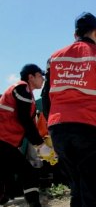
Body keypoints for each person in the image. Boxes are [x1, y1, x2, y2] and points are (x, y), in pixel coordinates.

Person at [41, 12, 96, 207]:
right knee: (93, 189)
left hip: (59, 129)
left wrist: (52, 127)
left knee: (77, 188)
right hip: (89, 129)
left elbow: (46, 97)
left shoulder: (53, 58)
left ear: (75, 35)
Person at [0, 64, 48, 207]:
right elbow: (25, 120)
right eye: (40, 76)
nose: (43, 79)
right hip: (3, 141)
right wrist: (39, 144)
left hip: (5, 142)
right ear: (30, 77)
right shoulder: (22, 88)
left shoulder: (27, 94)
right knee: (27, 172)